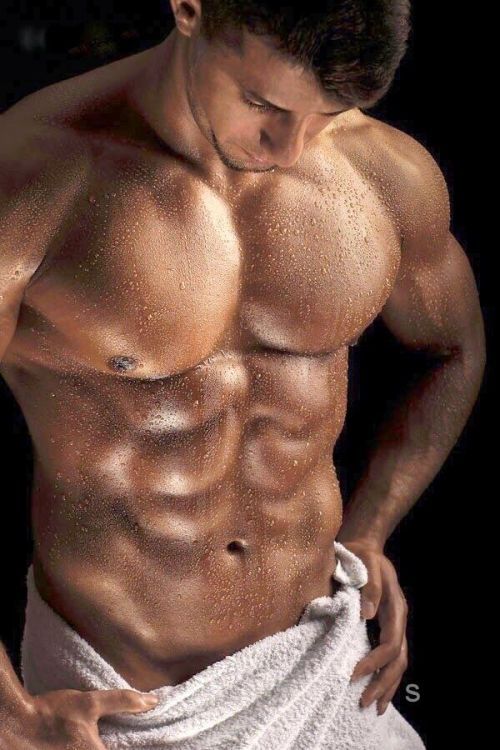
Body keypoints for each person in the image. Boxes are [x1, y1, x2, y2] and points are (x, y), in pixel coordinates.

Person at [0, 1, 485, 748]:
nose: (290, 148)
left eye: (326, 114)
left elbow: (453, 349)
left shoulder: (383, 173)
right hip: (119, 702)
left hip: (323, 661)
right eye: (264, 103)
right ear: (189, 8)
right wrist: (13, 717)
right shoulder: (33, 173)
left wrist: (372, 530)